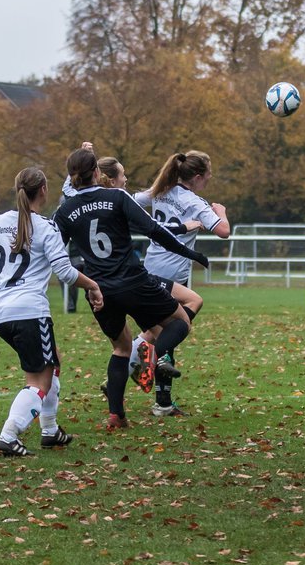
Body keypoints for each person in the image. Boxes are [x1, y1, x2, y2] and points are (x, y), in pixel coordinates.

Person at [54, 147, 209, 430]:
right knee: (181, 320)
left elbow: (55, 254)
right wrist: (191, 255)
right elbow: (154, 230)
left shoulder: (65, 210)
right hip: (134, 282)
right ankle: (156, 358)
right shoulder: (117, 197)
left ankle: (116, 416)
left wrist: (85, 283)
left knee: (121, 348)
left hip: (99, 291)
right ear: (98, 173)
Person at [0, 167, 104, 457]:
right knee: (39, 381)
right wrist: (93, 286)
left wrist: (3, 272)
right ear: (43, 190)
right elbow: (66, 272)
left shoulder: (0, 222)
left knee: (51, 362)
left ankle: (49, 430)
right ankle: (8, 435)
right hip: (28, 310)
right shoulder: (45, 227)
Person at [135, 151, 230, 416]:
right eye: (208, 174)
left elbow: (131, 201)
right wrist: (220, 213)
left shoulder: (159, 191)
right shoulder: (194, 202)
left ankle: (162, 402)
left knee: (165, 334)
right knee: (173, 327)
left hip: (151, 268)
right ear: (198, 177)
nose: (210, 178)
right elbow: (223, 231)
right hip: (168, 275)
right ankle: (132, 360)